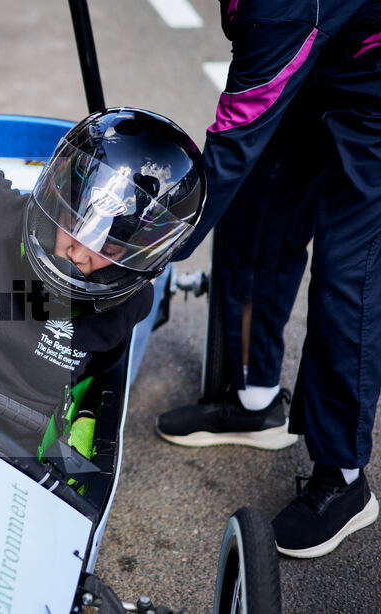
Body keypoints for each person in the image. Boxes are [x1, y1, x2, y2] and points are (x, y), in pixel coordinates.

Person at [156, 0, 381, 558]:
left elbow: (233, 141)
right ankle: (255, 401)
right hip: (322, 54)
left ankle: (345, 480)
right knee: (257, 213)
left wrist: (144, 255)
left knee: (348, 271)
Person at [0, 109, 206, 445]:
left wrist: (87, 413)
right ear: (57, 197)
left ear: (139, 255)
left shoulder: (130, 302)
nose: (80, 254)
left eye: (111, 248)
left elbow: (102, 369)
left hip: (19, 445)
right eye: (75, 226)